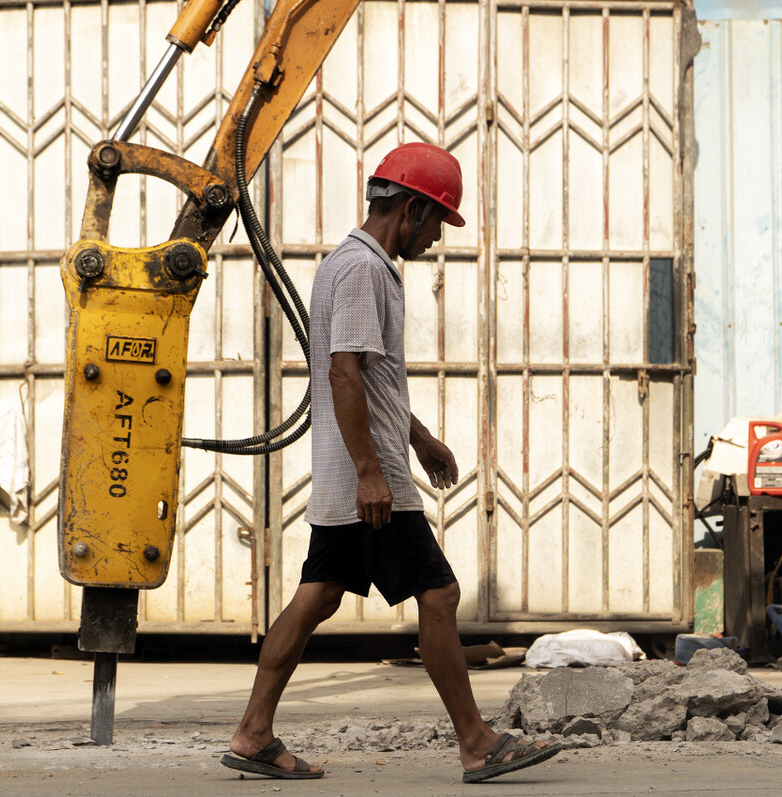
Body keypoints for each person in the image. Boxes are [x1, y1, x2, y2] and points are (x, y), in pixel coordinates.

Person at [221, 142, 561, 783]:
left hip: (352, 473)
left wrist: (420, 435)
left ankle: (253, 733)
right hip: (368, 482)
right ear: (410, 209)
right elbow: (343, 373)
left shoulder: (360, 267)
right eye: (436, 224)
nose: (434, 240)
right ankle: (477, 742)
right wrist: (374, 470)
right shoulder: (361, 270)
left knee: (316, 596)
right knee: (440, 594)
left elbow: (370, 381)